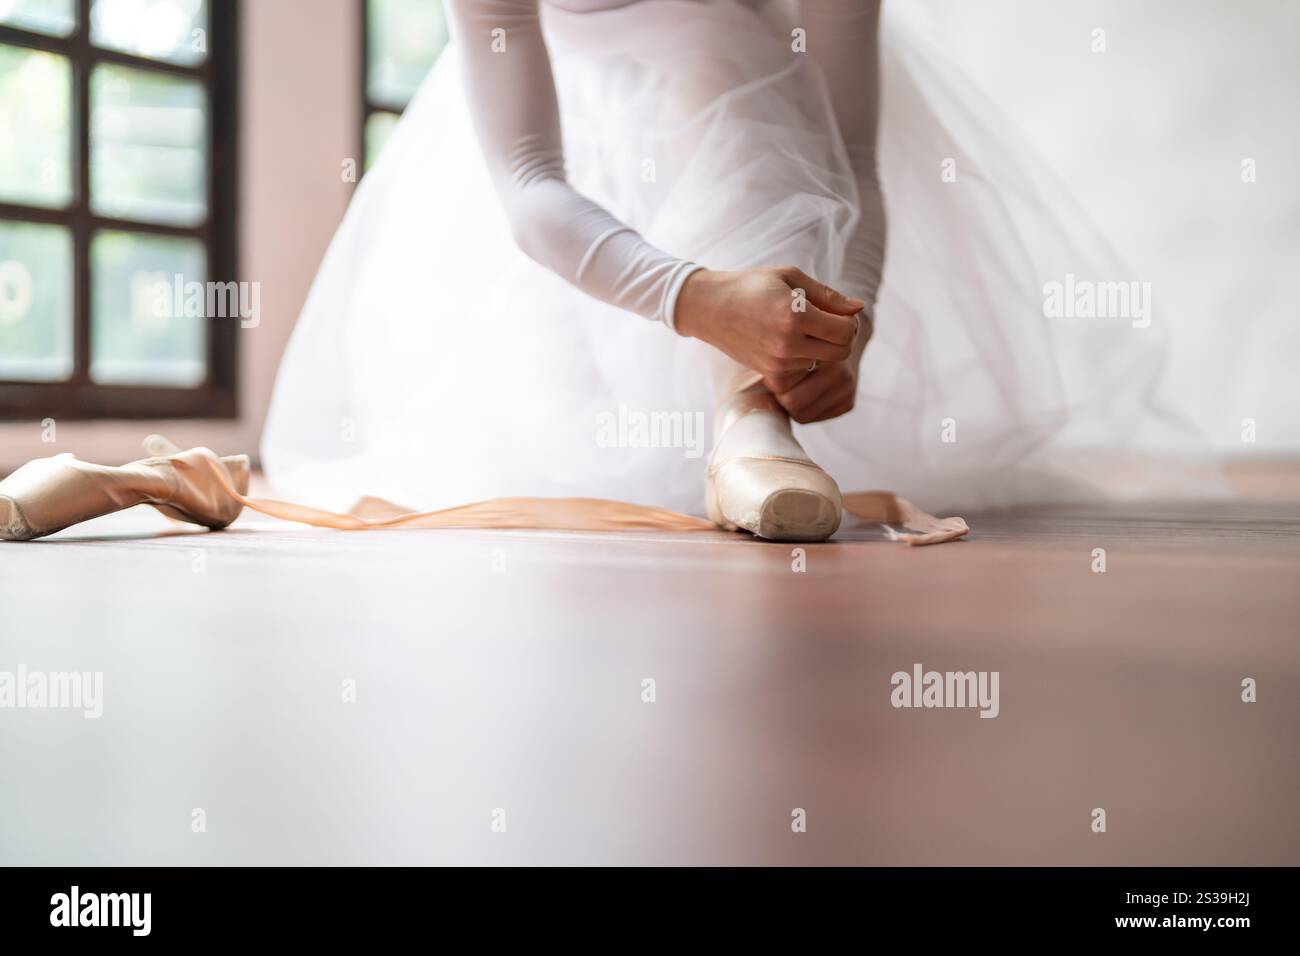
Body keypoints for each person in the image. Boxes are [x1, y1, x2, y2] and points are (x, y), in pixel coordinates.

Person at [258, 0, 1193, 541]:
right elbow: (529, 181)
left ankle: (752, 413)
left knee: (721, 69)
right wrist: (693, 297)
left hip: (772, 148)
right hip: (576, 183)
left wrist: (843, 322)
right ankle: (747, 426)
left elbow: (854, 164)